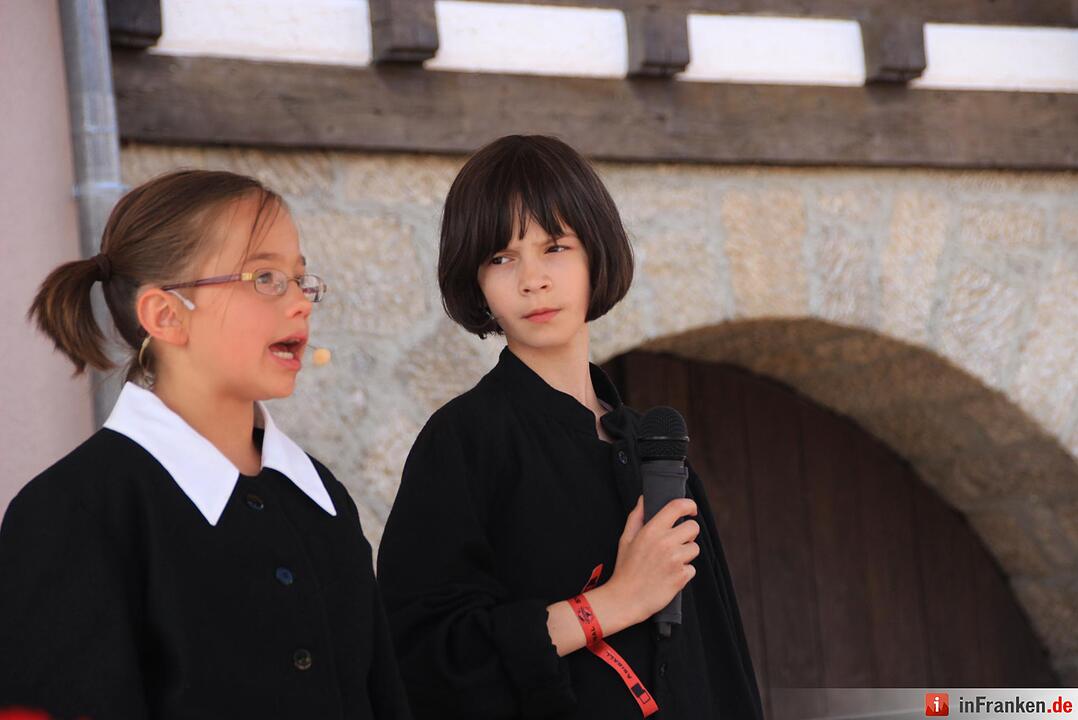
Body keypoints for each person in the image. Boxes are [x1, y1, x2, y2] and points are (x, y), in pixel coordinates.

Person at [0, 170, 411, 720]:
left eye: (300, 278)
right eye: (265, 277)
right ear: (166, 315)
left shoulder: (324, 500)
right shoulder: (71, 513)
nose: (301, 303)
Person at [377, 135, 763, 719]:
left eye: (554, 246)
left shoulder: (658, 454)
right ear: (477, 282)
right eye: (501, 258)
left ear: (594, 256)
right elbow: (421, 662)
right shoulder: (462, 442)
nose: (532, 279)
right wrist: (613, 603)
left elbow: (721, 666)